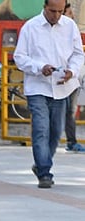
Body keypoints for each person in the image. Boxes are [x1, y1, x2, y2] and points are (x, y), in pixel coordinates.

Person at [14, 0, 84, 188]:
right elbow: (19, 57)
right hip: (38, 86)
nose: (56, 15)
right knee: (41, 129)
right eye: (52, 11)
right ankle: (45, 172)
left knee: (55, 131)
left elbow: (78, 54)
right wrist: (39, 67)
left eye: (60, 11)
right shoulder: (31, 27)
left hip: (62, 87)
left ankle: (40, 164)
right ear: (44, 7)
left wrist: (72, 71)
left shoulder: (70, 26)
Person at [63, 2, 85, 153]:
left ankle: (71, 141)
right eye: (69, 13)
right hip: (58, 78)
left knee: (70, 111)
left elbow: (78, 54)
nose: (73, 16)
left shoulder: (73, 31)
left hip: (73, 78)